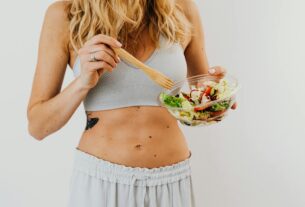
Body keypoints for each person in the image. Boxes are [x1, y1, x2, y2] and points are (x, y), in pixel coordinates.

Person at [27, 0, 237, 206]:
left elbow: (202, 101)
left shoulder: (182, 8)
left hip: (172, 181)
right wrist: (82, 83)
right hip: (101, 183)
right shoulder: (65, 13)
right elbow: (38, 126)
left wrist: (216, 98)